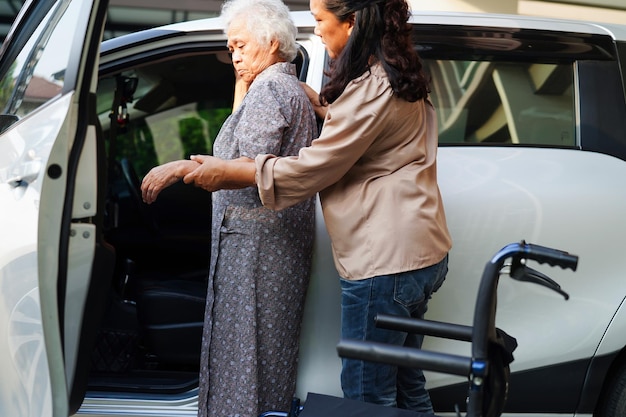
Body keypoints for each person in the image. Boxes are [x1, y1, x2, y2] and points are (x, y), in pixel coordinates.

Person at [145, 0, 452, 413]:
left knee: (367, 396)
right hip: (419, 251)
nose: (317, 30)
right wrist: (324, 106)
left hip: (385, 260)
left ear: (353, 21)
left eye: (322, 19)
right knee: (407, 386)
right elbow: (373, 133)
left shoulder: (370, 86)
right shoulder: (395, 75)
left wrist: (232, 173)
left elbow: (319, 165)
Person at [140, 1, 318, 416]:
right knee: (257, 356)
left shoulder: (272, 90)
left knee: (246, 356)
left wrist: (180, 166)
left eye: (241, 45)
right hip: (266, 246)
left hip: (258, 249)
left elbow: (248, 166)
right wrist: (243, 77)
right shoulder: (277, 87)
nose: (234, 55)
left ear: (271, 43)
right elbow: (241, 145)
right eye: (231, 47)